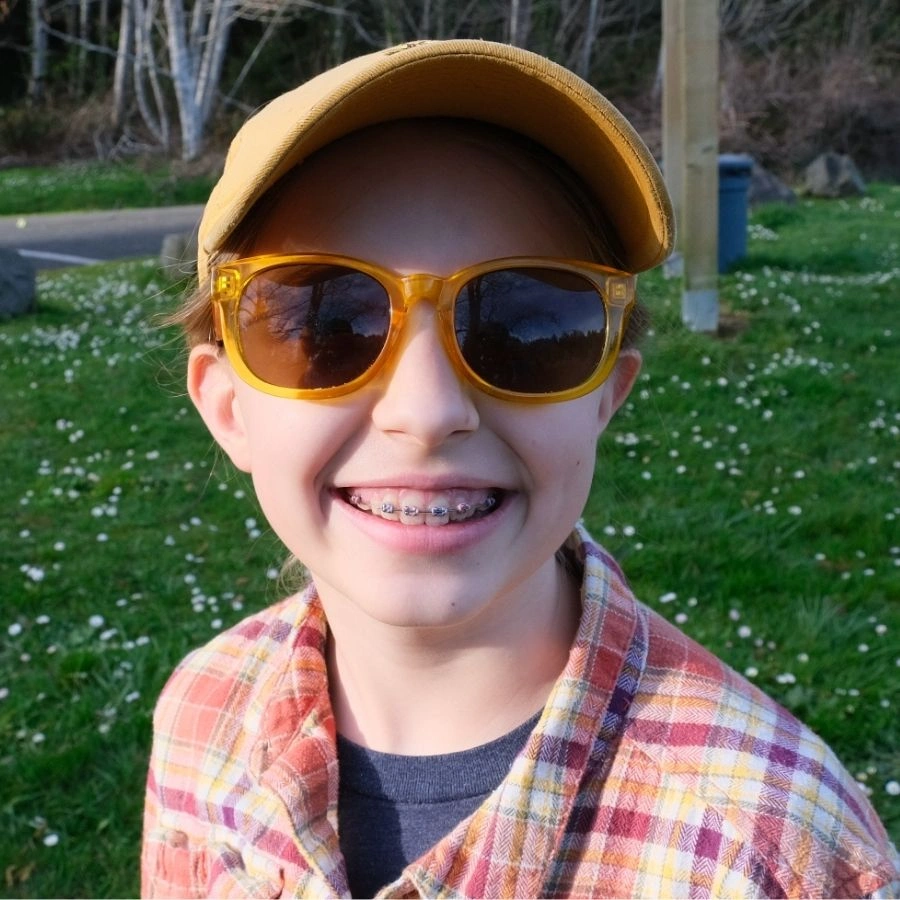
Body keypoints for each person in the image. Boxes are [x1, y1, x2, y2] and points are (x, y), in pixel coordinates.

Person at [141, 39, 899, 899]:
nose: (426, 414)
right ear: (228, 406)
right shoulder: (201, 715)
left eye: (527, 325)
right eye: (329, 324)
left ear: (606, 397)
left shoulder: (773, 854)